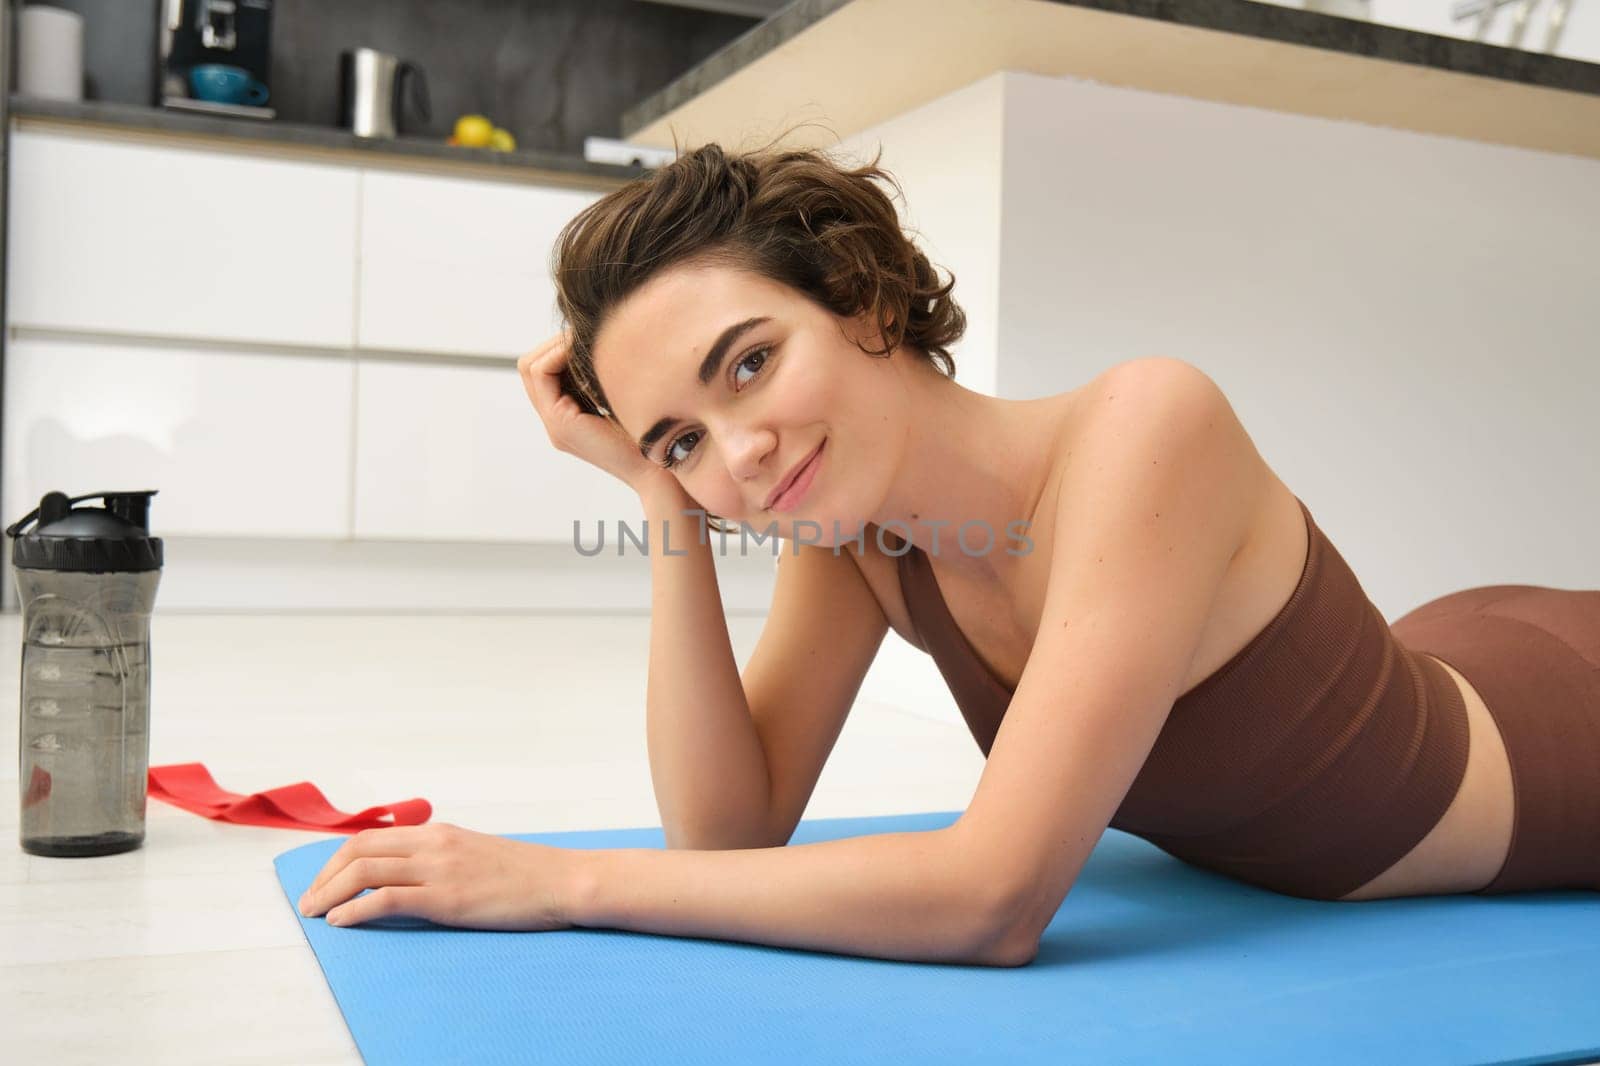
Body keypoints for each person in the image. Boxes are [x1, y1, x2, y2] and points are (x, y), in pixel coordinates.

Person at [297, 143, 1598, 964]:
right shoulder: (855, 529)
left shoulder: (1150, 424)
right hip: (1454, 632)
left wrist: (560, 880)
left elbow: (994, 899)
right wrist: (659, 494)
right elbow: (729, 829)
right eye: (686, 434)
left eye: (751, 363)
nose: (738, 450)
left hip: (1558, 732)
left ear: (863, 295)